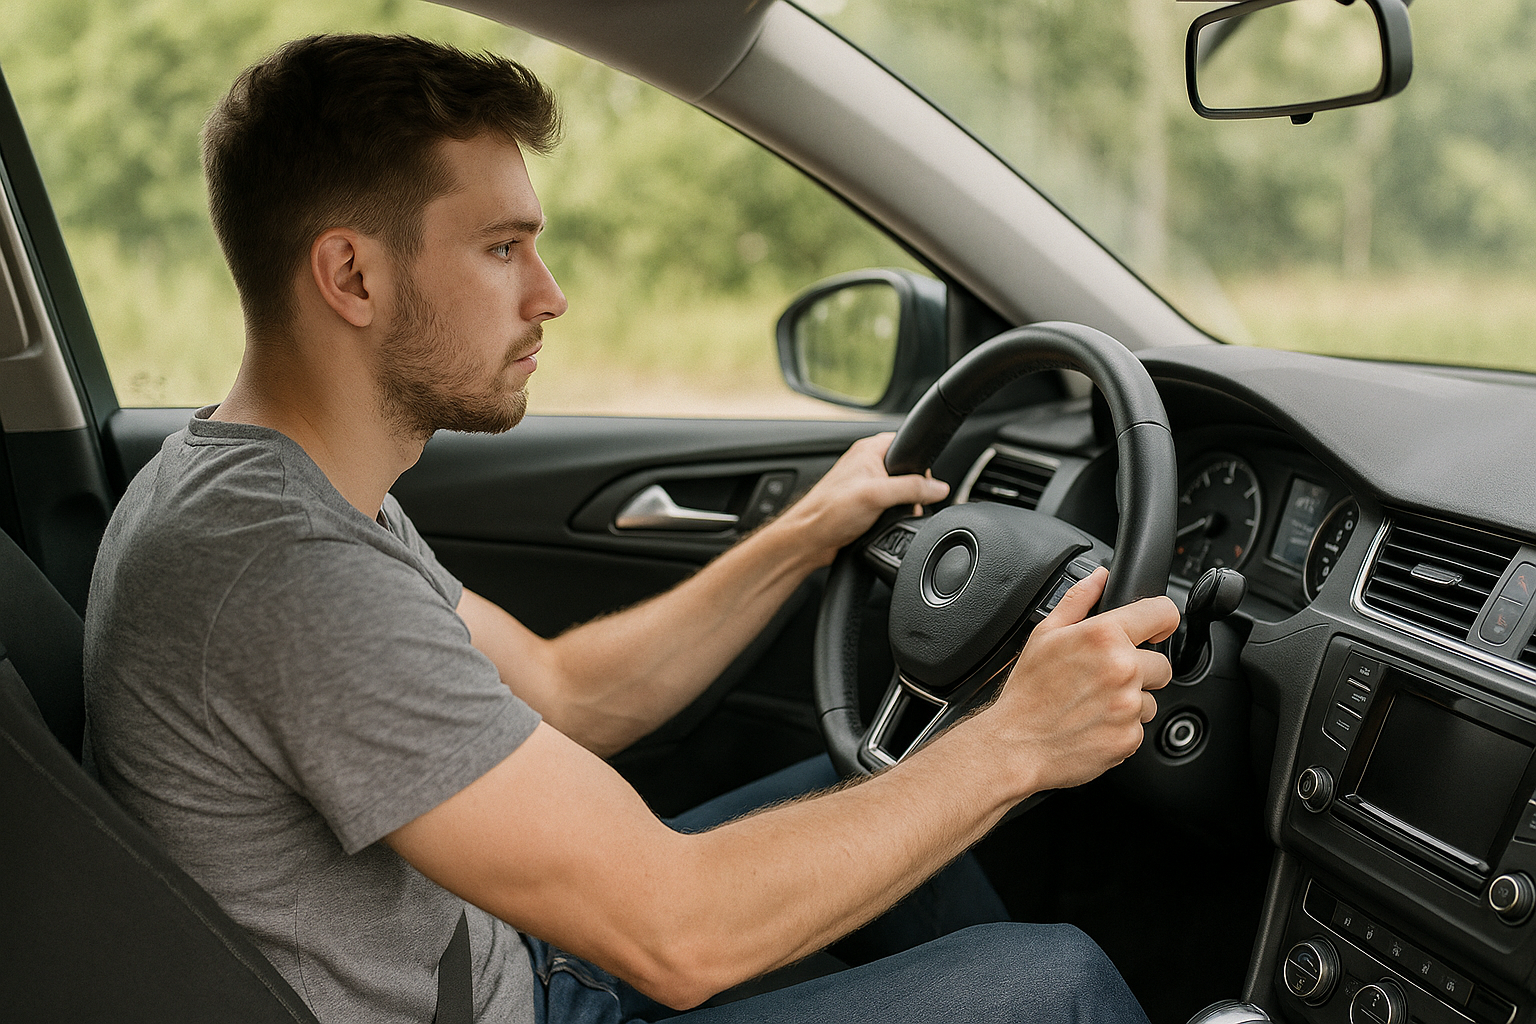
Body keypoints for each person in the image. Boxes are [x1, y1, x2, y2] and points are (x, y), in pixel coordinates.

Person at [83, 33, 1180, 1024]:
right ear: (353, 275)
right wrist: (1020, 737)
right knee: (1060, 978)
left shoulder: (278, 489)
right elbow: (678, 934)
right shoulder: (287, 576)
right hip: (535, 999)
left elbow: (566, 693)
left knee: (892, 784)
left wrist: (803, 532)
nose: (550, 294)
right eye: (503, 247)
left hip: (517, 961)